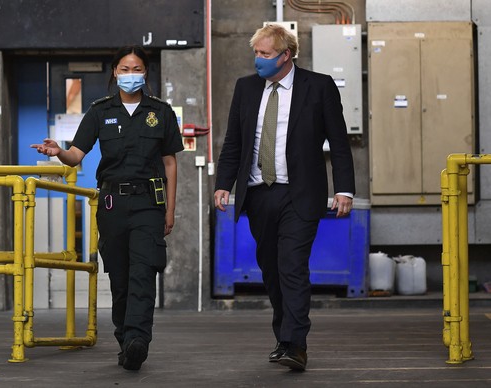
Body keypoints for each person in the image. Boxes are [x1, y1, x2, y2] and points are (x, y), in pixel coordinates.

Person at [31, 45, 184, 371]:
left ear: (146, 73)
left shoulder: (161, 112)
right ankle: (125, 339)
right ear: (115, 73)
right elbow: (76, 155)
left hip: (148, 204)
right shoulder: (100, 112)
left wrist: (170, 210)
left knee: (144, 272)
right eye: (125, 69)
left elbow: (170, 163)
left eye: (137, 69)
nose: (131, 75)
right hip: (113, 205)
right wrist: (57, 151)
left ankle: (138, 340)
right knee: (121, 278)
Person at [214, 24, 355, 372]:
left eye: (264, 54)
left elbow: (339, 141)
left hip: (300, 194)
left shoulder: (318, 87)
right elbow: (234, 142)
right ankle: (284, 337)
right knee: (272, 271)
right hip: (259, 194)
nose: (257, 60)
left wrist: (344, 188)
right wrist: (223, 184)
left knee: (292, 265)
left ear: (285, 55)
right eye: (256, 53)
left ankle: (297, 344)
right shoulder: (246, 88)